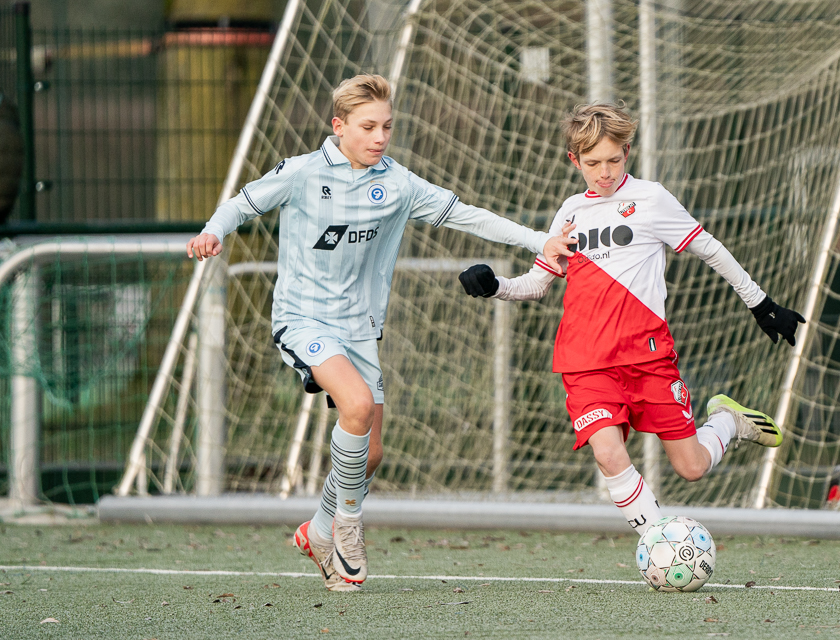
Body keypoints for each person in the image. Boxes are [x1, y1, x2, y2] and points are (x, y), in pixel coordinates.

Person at [186, 74, 577, 591]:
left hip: (361, 327)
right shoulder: (301, 174)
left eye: (387, 126)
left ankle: (318, 530)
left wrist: (541, 240)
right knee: (356, 405)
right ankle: (347, 529)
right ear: (338, 126)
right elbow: (241, 203)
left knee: (370, 455)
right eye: (368, 126)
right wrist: (214, 229)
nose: (379, 137)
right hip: (302, 319)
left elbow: (469, 216)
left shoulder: (398, 183)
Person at [458, 103, 804, 535]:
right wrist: (496, 286)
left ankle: (727, 422)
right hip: (585, 362)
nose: (604, 172)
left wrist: (761, 303)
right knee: (608, 453)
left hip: (648, 358)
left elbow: (710, 249)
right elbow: (537, 283)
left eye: (613, 160)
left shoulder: (651, 198)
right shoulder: (569, 213)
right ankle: (660, 542)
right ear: (574, 160)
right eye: (592, 163)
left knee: (691, 467)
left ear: (627, 152)